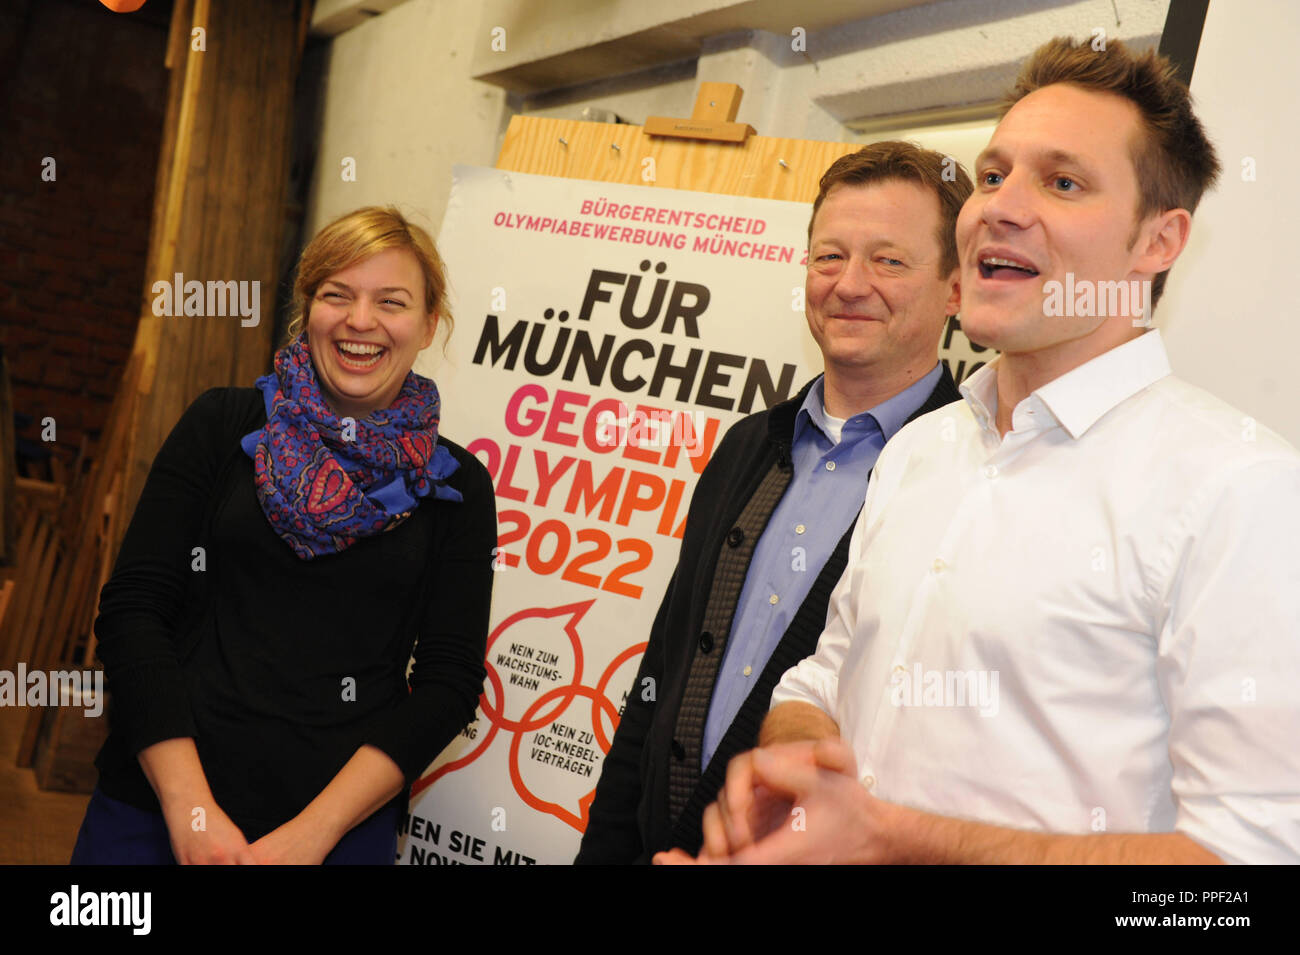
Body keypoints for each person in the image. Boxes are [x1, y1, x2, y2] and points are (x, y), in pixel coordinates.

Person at [662, 37, 1300, 865]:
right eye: (994, 174)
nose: (1000, 205)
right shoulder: (921, 450)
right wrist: (793, 775)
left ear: (1158, 242)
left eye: (1063, 182)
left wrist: (885, 838)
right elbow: (821, 677)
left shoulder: (1240, 488)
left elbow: (1239, 872)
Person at [576, 142, 970, 863]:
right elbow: (659, 681)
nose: (850, 284)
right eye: (829, 257)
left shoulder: (974, 484)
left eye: (889, 260)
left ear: (955, 289)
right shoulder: (746, 447)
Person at [71, 206, 496, 864]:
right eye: (337, 294)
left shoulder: (456, 486)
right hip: (155, 811)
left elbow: (448, 681)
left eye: (392, 301)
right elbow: (133, 611)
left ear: (428, 323)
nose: (360, 320)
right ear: (308, 308)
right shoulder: (222, 425)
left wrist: (312, 836)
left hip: (336, 836)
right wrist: (191, 812)